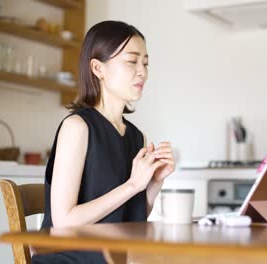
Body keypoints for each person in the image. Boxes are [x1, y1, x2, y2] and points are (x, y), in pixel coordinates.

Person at [32, 20, 175, 264]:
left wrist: (153, 183)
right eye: (132, 61)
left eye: (146, 63)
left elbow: (129, 218)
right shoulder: (77, 127)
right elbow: (63, 223)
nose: (142, 71)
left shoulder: (136, 136)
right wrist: (132, 185)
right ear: (98, 69)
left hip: (110, 257)